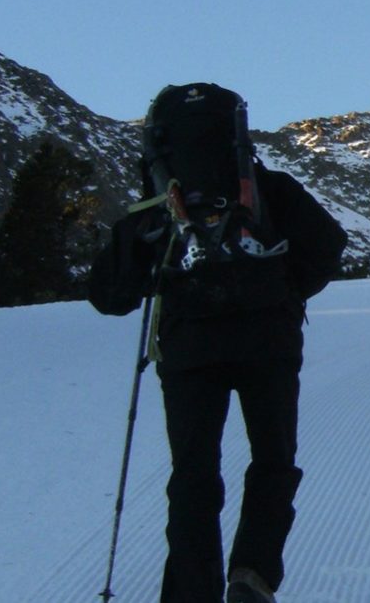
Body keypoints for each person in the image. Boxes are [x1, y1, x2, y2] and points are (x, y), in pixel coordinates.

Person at [88, 84, 347, 603]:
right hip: (269, 342)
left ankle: (191, 591)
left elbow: (107, 295)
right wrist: (287, 291)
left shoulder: (160, 203)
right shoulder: (268, 187)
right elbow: (328, 245)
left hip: (188, 350)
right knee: (274, 460)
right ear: (237, 133)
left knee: (193, 472)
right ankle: (251, 573)